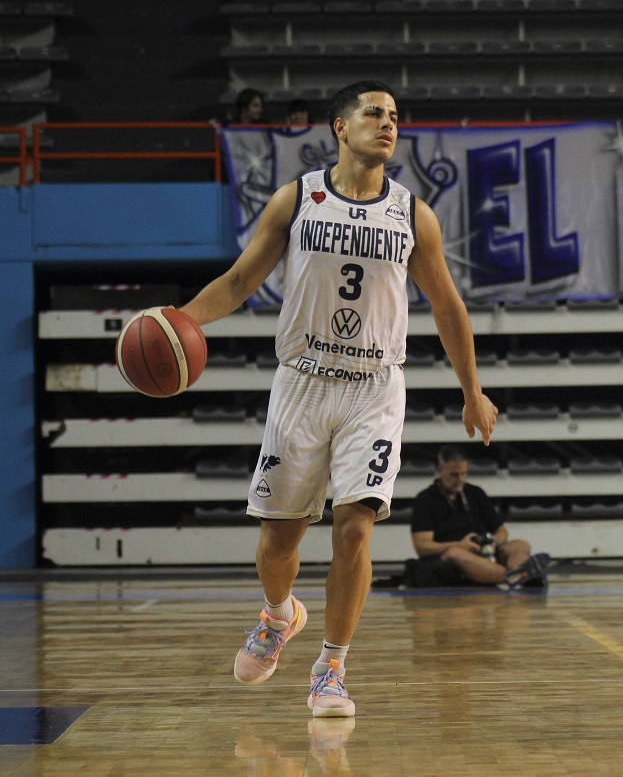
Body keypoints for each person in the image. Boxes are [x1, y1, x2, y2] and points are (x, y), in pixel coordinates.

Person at [179, 79, 497, 718]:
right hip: (302, 382)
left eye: (395, 117)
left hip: (375, 389)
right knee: (278, 543)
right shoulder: (296, 200)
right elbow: (241, 281)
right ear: (339, 127)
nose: (388, 124)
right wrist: (176, 322)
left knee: (354, 528)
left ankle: (331, 670)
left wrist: (473, 389)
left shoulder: (412, 214)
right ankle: (278, 615)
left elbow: (448, 305)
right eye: (374, 114)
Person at [404, 445, 551, 589]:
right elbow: (422, 546)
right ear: (440, 471)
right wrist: (458, 545)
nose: (460, 479)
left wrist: (493, 541)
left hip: (483, 551)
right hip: (451, 555)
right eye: (454, 475)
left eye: (464, 474)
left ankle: (519, 571)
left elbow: (501, 530)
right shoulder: (425, 499)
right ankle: (516, 576)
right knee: (456, 554)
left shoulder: (475, 493)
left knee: (520, 544)